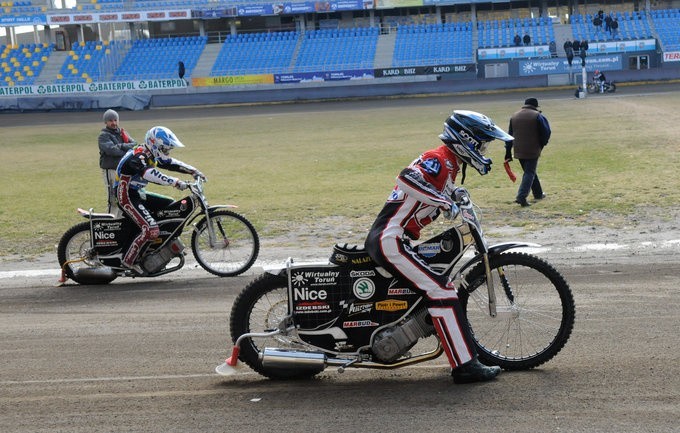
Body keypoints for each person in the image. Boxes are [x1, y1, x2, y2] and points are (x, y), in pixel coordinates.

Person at [364, 110, 513, 384]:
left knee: (438, 284)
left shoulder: (450, 166)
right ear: (466, 140)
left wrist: (453, 194)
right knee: (441, 289)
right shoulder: (438, 159)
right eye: (481, 144)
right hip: (390, 239)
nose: (483, 150)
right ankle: (464, 366)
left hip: (396, 239)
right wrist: (445, 202)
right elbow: (406, 178)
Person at [115, 126, 206, 274]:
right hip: (125, 195)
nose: (167, 152)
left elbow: (170, 163)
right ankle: (128, 261)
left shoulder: (151, 154)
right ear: (155, 144)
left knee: (170, 205)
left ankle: (160, 245)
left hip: (137, 193)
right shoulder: (139, 157)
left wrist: (193, 171)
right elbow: (149, 173)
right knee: (150, 229)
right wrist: (175, 182)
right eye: (165, 149)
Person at [505, 98, 551, 207]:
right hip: (532, 149)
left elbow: (508, 136)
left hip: (518, 149)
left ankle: (538, 193)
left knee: (530, 171)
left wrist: (507, 152)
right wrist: (542, 144)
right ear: (536, 106)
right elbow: (546, 132)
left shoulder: (514, 116)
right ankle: (521, 196)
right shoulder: (537, 116)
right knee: (529, 173)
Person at [98, 109, 136, 213]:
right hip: (110, 171)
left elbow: (135, 145)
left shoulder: (123, 133)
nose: (114, 123)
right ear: (105, 122)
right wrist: (127, 150)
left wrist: (121, 146)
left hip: (122, 171)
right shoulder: (103, 136)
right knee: (113, 199)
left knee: (123, 197)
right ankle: (111, 222)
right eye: (110, 120)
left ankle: (121, 222)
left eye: (115, 120)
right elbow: (112, 151)